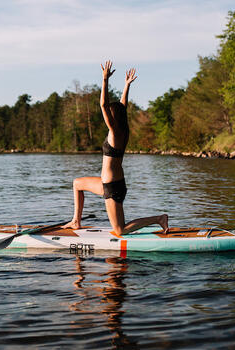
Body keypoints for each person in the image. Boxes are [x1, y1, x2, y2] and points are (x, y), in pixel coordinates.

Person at [63, 60, 169, 235]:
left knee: (120, 230)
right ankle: (76, 221)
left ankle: (159, 219)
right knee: (77, 184)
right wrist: (126, 86)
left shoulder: (114, 133)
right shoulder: (122, 131)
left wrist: (104, 80)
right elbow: (122, 106)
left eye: (110, 114)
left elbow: (103, 105)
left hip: (113, 187)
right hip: (108, 183)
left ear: (113, 118)